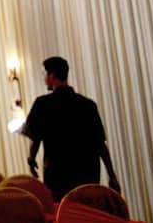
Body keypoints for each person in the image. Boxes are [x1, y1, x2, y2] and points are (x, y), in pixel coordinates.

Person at [22, 56, 121, 202]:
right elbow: (100, 144)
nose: (45, 79)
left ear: (52, 76)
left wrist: (31, 160)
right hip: (87, 175)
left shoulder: (42, 104)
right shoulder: (88, 105)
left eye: (45, 74)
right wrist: (112, 175)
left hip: (57, 176)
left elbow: (35, 138)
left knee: (64, 213)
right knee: (88, 213)